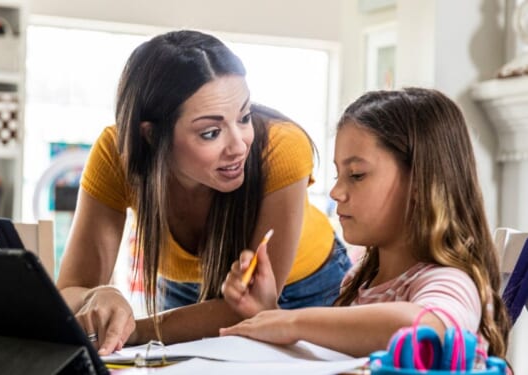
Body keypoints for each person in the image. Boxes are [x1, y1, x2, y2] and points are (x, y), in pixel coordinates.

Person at [56, 29, 351, 355]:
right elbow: (70, 289)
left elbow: (245, 304)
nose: (239, 146)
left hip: (308, 290)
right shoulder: (117, 155)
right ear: (151, 136)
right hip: (183, 299)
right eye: (211, 132)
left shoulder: (282, 146)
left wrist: (136, 329)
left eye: (244, 117)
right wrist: (96, 295)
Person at [219, 88, 511, 358]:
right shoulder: (360, 278)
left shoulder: (449, 281)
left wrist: (292, 321)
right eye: (338, 175)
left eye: (356, 175)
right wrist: (268, 310)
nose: (336, 192)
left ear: (422, 183)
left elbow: (425, 330)